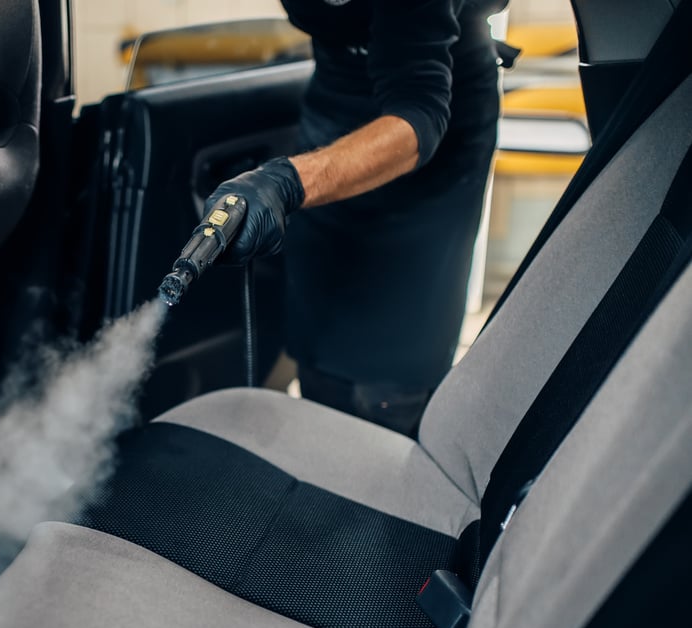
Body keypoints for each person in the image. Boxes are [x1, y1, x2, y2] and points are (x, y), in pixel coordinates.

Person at [207, 0, 508, 436]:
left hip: (425, 132)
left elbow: (419, 114)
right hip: (335, 102)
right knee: (320, 318)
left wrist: (289, 181)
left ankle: (391, 430)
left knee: (389, 356)